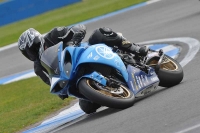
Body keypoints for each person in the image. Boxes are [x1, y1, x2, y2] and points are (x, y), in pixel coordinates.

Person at [18, 24, 148, 113]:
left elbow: (79, 28)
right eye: (28, 53)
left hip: (86, 53)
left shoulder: (54, 34)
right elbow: (50, 80)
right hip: (73, 76)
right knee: (86, 107)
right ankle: (110, 91)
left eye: (32, 48)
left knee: (100, 33)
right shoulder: (38, 68)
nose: (32, 53)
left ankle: (134, 48)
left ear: (37, 41)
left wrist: (72, 40)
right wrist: (61, 92)